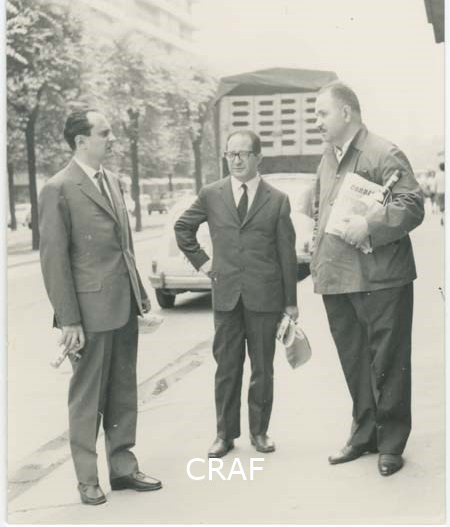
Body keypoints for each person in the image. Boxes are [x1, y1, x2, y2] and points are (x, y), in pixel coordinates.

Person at [39, 109, 162, 505]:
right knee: (87, 399)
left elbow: (124, 248)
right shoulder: (59, 188)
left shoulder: (112, 181)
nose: (112, 139)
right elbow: (54, 261)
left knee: (123, 392)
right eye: (104, 133)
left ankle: (123, 468)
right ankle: (88, 479)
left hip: (123, 307)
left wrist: (141, 298)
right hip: (89, 314)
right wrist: (69, 320)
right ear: (81, 141)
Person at [310, 81, 424, 477]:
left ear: (346, 113)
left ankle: (391, 443)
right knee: (355, 361)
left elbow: (412, 204)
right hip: (338, 278)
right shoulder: (328, 157)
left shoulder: (383, 152)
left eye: (322, 113)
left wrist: (371, 225)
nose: (316, 121)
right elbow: (319, 210)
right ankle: (364, 434)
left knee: (388, 361)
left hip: (381, 279)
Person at [174, 129, 298, 458]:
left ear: (259, 157)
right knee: (227, 368)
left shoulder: (277, 199)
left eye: (243, 154)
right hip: (227, 296)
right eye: (231, 154)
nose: (236, 160)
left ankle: (260, 432)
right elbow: (183, 228)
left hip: (265, 298)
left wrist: (290, 303)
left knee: (263, 369)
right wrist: (204, 264)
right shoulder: (211, 194)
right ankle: (224, 434)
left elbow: (286, 254)